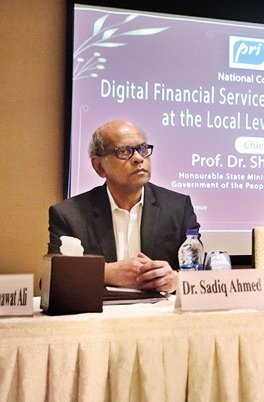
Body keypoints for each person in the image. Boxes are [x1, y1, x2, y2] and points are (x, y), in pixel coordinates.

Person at [48, 119, 197, 293]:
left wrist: (176, 280)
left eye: (142, 149)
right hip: (100, 316)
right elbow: (51, 282)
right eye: (125, 151)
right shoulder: (70, 215)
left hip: (160, 315)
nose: (138, 158)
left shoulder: (178, 207)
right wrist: (105, 273)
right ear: (99, 166)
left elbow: (200, 274)